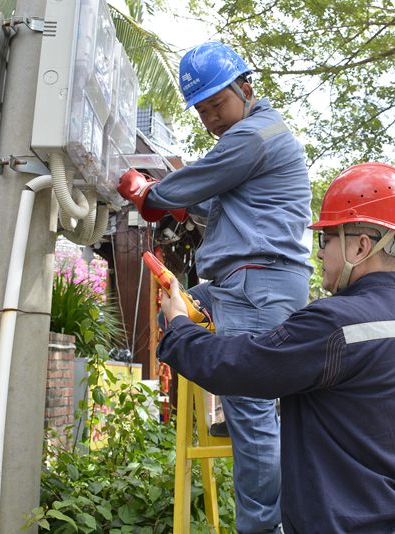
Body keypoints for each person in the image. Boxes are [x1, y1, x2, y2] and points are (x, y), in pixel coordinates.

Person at [157, 163, 395, 533]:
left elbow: (240, 366)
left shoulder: (335, 323)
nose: (319, 255)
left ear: (360, 246)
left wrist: (179, 327)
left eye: (325, 240)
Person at [118, 42, 313, 533]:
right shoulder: (256, 137)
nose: (211, 119)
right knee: (180, 311)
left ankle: (262, 529)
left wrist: (146, 191)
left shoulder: (252, 137)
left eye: (216, 105)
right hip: (245, 285)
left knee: (251, 417)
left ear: (245, 88)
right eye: (202, 111)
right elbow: (215, 209)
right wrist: (179, 205)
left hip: (256, 285)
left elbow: (169, 195)